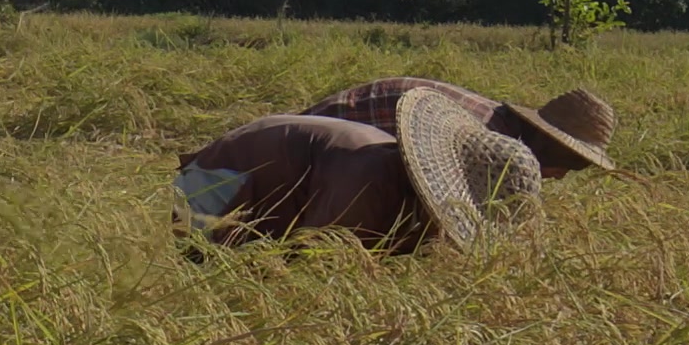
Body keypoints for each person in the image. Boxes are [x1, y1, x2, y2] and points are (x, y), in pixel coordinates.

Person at [175, 86, 542, 254]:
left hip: (274, 193)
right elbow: (314, 258)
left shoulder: (394, 186)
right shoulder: (369, 181)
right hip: (221, 182)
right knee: (205, 272)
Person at [296, 75, 616, 179]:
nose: (560, 176)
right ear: (547, 140)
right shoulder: (484, 144)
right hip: (311, 148)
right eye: (569, 164)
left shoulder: (498, 121)